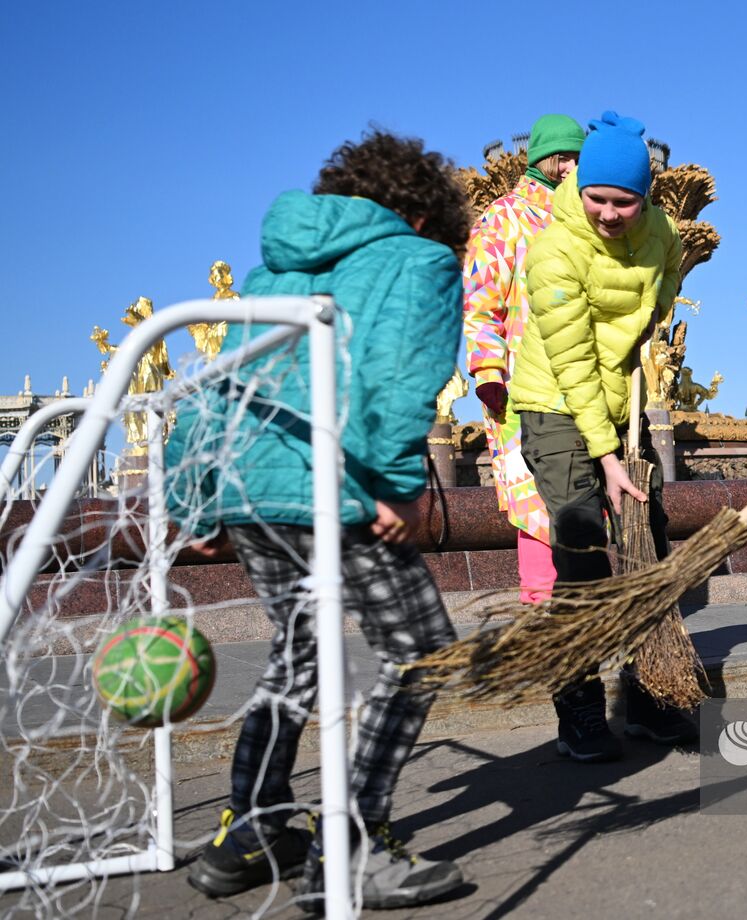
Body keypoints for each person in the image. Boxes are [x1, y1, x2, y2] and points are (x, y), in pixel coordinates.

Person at [171, 129, 470, 909]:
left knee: (298, 657)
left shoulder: (272, 270)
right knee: (420, 653)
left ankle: (251, 830)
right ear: (426, 210)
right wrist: (400, 486)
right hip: (339, 491)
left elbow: (214, 391)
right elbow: (398, 380)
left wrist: (193, 499)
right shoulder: (420, 261)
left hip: (252, 494)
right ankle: (354, 849)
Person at [511, 110, 695, 762]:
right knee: (583, 546)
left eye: (626, 202)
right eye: (598, 199)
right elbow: (574, 364)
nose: (611, 214)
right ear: (579, 188)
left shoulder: (661, 230)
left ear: (646, 197)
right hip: (558, 401)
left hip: (621, 399)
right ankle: (580, 709)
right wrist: (608, 454)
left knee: (649, 542)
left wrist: (655, 310)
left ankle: (650, 694)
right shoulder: (554, 250)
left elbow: (670, 263)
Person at [462, 114, 585, 603]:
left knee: (579, 500)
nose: (573, 164)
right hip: (520, 384)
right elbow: (479, 299)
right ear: (544, 161)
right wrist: (488, 370)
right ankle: (542, 606)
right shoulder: (504, 216)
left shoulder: (583, 217)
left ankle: (581, 609)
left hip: (581, 381)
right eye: (564, 156)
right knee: (536, 502)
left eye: (579, 155)